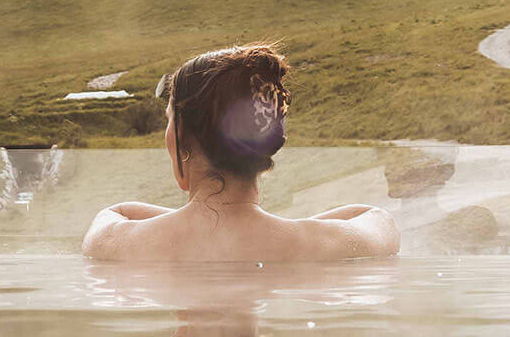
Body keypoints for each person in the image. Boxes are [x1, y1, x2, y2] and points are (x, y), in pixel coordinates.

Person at [82, 44, 400, 261]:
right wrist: (280, 226)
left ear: (178, 140)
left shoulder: (121, 243)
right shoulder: (313, 245)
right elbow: (377, 219)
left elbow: (115, 213)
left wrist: (203, 226)